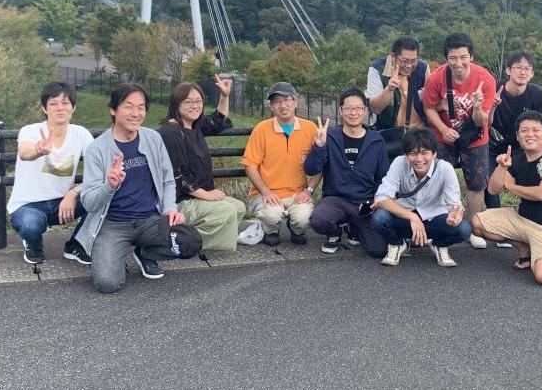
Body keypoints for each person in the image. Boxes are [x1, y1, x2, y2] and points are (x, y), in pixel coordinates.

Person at [77, 83, 187, 293]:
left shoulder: (153, 138)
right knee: (107, 283)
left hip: (150, 220)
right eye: (128, 107)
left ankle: (146, 253)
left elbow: (168, 180)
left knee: (188, 242)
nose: (136, 113)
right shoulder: (97, 149)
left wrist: (170, 209)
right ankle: (114, 255)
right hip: (113, 224)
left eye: (141, 107)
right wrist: (109, 186)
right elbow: (89, 202)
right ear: (113, 110)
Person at [472, 111, 542, 287]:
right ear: (518, 136)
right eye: (524, 131)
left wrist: (510, 186)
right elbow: (494, 189)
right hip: (522, 219)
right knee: (477, 223)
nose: (530, 134)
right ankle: (523, 248)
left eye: (535, 130)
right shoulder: (517, 161)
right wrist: (501, 168)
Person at [422, 32, 496, 248]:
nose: (458, 63)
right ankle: (439, 225)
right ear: (447, 58)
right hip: (443, 138)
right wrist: (443, 129)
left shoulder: (485, 79)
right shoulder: (437, 78)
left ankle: (473, 228)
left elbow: (481, 120)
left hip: (475, 138)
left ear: (471, 56)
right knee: (436, 181)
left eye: (463, 57)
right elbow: (428, 108)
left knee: (476, 184)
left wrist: (478, 106)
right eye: (453, 58)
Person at [7, 81, 93, 265]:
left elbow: (100, 171)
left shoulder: (81, 134)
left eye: (65, 103)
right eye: (53, 103)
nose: (60, 108)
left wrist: (73, 193)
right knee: (32, 224)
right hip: (28, 206)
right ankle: (34, 246)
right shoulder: (30, 131)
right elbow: (25, 152)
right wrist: (39, 150)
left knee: (103, 198)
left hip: (63, 204)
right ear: (44, 108)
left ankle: (76, 245)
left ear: (73, 107)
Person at [158, 75, 246, 251]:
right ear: (176, 104)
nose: (195, 106)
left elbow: (218, 120)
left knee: (239, 207)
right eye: (189, 101)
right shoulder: (171, 132)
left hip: (196, 197)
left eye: (198, 101)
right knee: (227, 210)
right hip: (180, 201)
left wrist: (225, 96)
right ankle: (182, 241)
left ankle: (191, 238)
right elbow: (178, 174)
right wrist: (206, 195)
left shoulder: (195, 126)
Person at [305, 88, 389, 256]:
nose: (353, 113)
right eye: (348, 108)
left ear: (365, 111)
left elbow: (383, 176)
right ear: (340, 111)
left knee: (378, 250)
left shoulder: (375, 140)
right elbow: (311, 169)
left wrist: (375, 200)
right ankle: (334, 234)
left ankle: (353, 228)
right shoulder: (330, 137)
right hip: (336, 199)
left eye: (358, 108)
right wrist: (319, 146)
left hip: (364, 202)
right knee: (319, 220)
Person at [371, 128, 472, 267]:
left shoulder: (445, 168)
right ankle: (398, 244)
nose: (419, 159)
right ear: (406, 155)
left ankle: (439, 245)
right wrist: (412, 217)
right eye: (413, 153)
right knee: (379, 218)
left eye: (425, 153)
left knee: (464, 229)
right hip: (406, 218)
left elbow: (454, 204)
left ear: (434, 154)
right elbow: (382, 197)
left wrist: (456, 214)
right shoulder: (399, 163)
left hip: (434, 218)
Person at [241, 82, 320, 247]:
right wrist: (265, 191)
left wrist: (309, 190)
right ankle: (270, 230)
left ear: (296, 102)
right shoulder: (261, 129)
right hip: (266, 193)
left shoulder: (310, 128)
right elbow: (250, 166)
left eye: (287, 99)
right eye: (277, 101)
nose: (283, 105)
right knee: (272, 215)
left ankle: (295, 228)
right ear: (271, 106)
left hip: (297, 193)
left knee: (304, 219)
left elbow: (320, 163)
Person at [485, 50, 542, 209]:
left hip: (522, 147)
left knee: (536, 175)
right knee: (488, 180)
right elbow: (483, 123)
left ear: (532, 73)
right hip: (491, 146)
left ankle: (529, 214)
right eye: (518, 67)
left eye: (527, 69)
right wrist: (492, 107)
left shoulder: (536, 93)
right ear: (508, 70)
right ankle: (495, 215)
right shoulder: (494, 88)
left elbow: (540, 125)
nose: (522, 72)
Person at [366, 37, 429, 131]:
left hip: (419, 133)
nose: (409, 66)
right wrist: (389, 89)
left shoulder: (423, 68)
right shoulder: (377, 69)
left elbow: (431, 101)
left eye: (413, 61)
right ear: (393, 56)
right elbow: (376, 109)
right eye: (404, 61)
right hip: (391, 133)